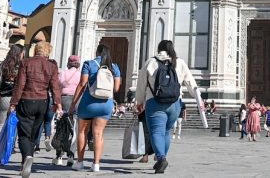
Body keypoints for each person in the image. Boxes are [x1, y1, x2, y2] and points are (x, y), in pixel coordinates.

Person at [135, 40, 201, 174]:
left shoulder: (151, 62)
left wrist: (139, 101)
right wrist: (199, 100)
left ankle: (161, 158)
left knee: (156, 132)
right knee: (166, 132)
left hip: (155, 103)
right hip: (175, 105)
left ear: (159, 49)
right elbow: (191, 83)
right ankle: (161, 158)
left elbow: (141, 85)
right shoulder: (179, 63)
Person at [10, 41, 62, 178]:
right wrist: (57, 103)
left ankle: (27, 157)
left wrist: (14, 102)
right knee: (33, 134)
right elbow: (55, 87)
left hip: (27, 100)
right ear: (47, 52)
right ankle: (26, 163)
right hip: (43, 103)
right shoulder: (51, 66)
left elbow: (20, 84)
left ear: (36, 50)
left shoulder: (26, 62)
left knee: (23, 134)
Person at [71, 43, 122, 173]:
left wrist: (73, 104)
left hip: (88, 103)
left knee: (82, 131)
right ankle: (96, 164)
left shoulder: (89, 64)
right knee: (98, 134)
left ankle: (80, 162)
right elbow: (116, 89)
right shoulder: (114, 67)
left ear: (97, 52)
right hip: (105, 104)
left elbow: (82, 84)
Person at [53, 55, 81, 166]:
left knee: (62, 127)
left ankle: (59, 156)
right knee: (74, 128)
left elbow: (57, 88)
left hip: (64, 99)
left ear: (68, 63)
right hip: (77, 100)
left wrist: (57, 103)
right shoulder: (80, 74)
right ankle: (71, 155)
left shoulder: (63, 73)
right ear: (78, 64)